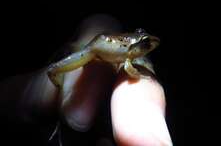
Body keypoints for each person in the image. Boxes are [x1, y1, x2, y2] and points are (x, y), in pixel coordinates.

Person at [0, 14, 173, 146]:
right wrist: (140, 75)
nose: (147, 48)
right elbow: (129, 69)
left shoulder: (130, 56)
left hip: (95, 50)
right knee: (53, 71)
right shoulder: (128, 57)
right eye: (145, 44)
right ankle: (61, 97)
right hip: (91, 50)